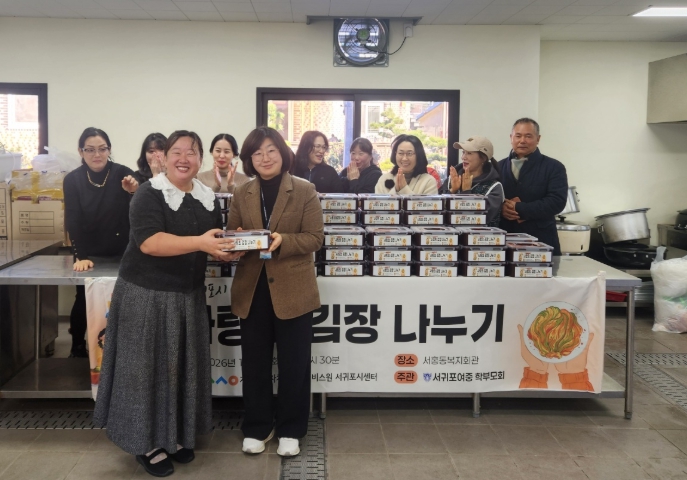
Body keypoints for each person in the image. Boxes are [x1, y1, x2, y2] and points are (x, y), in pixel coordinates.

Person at [94, 130, 241, 477]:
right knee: (144, 372)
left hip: (187, 296)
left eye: (192, 152)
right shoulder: (149, 192)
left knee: (180, 370)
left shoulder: (206, 196)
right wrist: (202, 244)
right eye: (177, 151)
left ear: (201, 159)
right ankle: (145, 443)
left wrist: (225, 250)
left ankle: (174, 435)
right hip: (146, 295)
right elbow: (150, 243)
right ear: (163, 156)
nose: (184, 159)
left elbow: (209, 241)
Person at [226, 126, 323, 458]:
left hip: (294, 289)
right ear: (249, 159)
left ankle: (291, 428)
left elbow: (315, 238)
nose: (265, 158)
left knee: (295, 364)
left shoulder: (305, 189)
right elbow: (233, 234)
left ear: (283, 153)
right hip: (252, 289)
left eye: (271, 150)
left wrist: (284, 241)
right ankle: (258, 426)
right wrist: (236, 242)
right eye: (257, 153)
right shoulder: (242, 192)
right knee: (255, 362)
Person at [63, 127, 137, 358]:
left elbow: (140, 209)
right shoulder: (73, 179)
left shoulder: (123, 173)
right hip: (88, 251)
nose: (97, 154)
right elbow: (73, 219)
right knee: (84, 298)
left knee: (122, 297)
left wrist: (134, 191)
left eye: (102, 149)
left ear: (109, 150)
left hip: (121, 250)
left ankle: (122, 348)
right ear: (81, 152)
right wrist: (80, 255)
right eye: (90, 150)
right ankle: (77, 346)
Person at [498, 118, 568, 255]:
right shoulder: (498, 167)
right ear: (511, 138)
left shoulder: (554, 167)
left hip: (541, 240)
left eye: (528, 136)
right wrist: (501, 209)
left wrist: (520, 208)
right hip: (505, 240)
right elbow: (490, 199)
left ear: (538, 139)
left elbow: (557, 202)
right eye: (518, 136)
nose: (522, 140)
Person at [441, 136, 504, 227]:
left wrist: (466, 192)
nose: (463, 157)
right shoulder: (452, 180)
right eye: (463, 152)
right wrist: (452, 191)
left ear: (483, 158)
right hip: (450, 235)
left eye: (469, 153)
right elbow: (438, 212)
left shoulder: (494, 187)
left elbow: (478, 220)